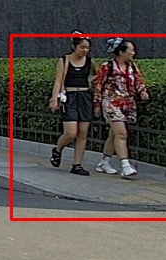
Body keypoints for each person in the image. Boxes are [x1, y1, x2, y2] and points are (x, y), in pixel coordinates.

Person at [93, 38, 148, 178]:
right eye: (131, 50)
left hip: (127, 103)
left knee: (114, 134)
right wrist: (97, 104)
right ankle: (125, 165)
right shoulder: (108, 66)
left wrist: (142, 92)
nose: (133, 53)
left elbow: (139, 81)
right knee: (121, 134)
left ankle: (104, 161)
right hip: (111, 103)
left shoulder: (132, 66)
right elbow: (99, 85)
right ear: (121, 52)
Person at [49, 34, 96, 176]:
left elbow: (96, 76)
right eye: (82, 47)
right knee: (70, 132)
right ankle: (58, 149)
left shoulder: (90, 62)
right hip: (69, 96)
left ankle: (77, 164)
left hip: (85, 96)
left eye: (87, 48)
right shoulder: (64, 60)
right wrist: (54, 99)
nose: (85, 50)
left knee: (83, 132)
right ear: (74, 46)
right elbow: (58, 81)